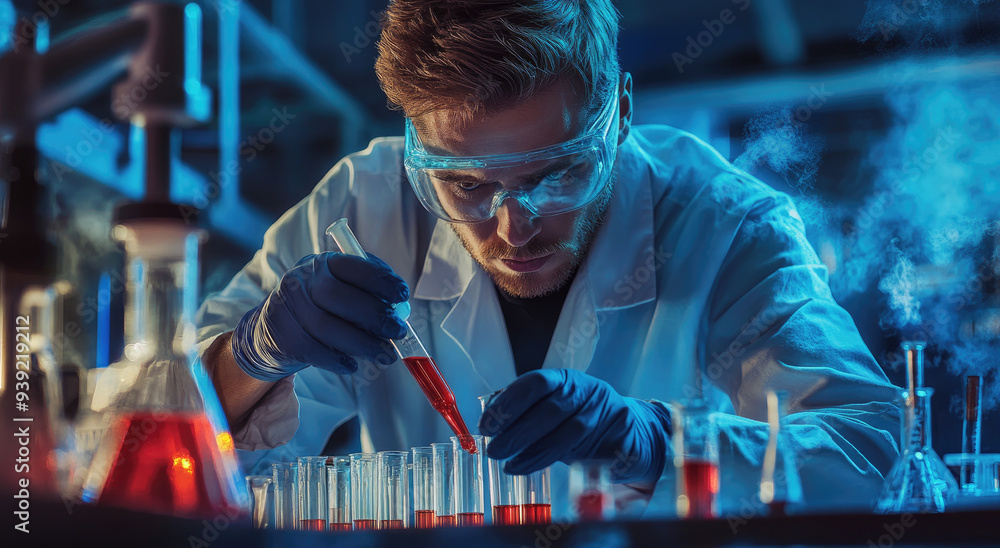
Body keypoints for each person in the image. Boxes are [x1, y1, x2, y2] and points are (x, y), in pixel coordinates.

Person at [196, 0, 899, 516]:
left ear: (620, 113)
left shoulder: (726, 228)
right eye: (466, 184)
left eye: (555, 175)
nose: (512, 228)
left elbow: (873, 455)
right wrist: (253, 355)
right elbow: (162, 444)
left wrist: (654, 440)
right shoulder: (357, 208)